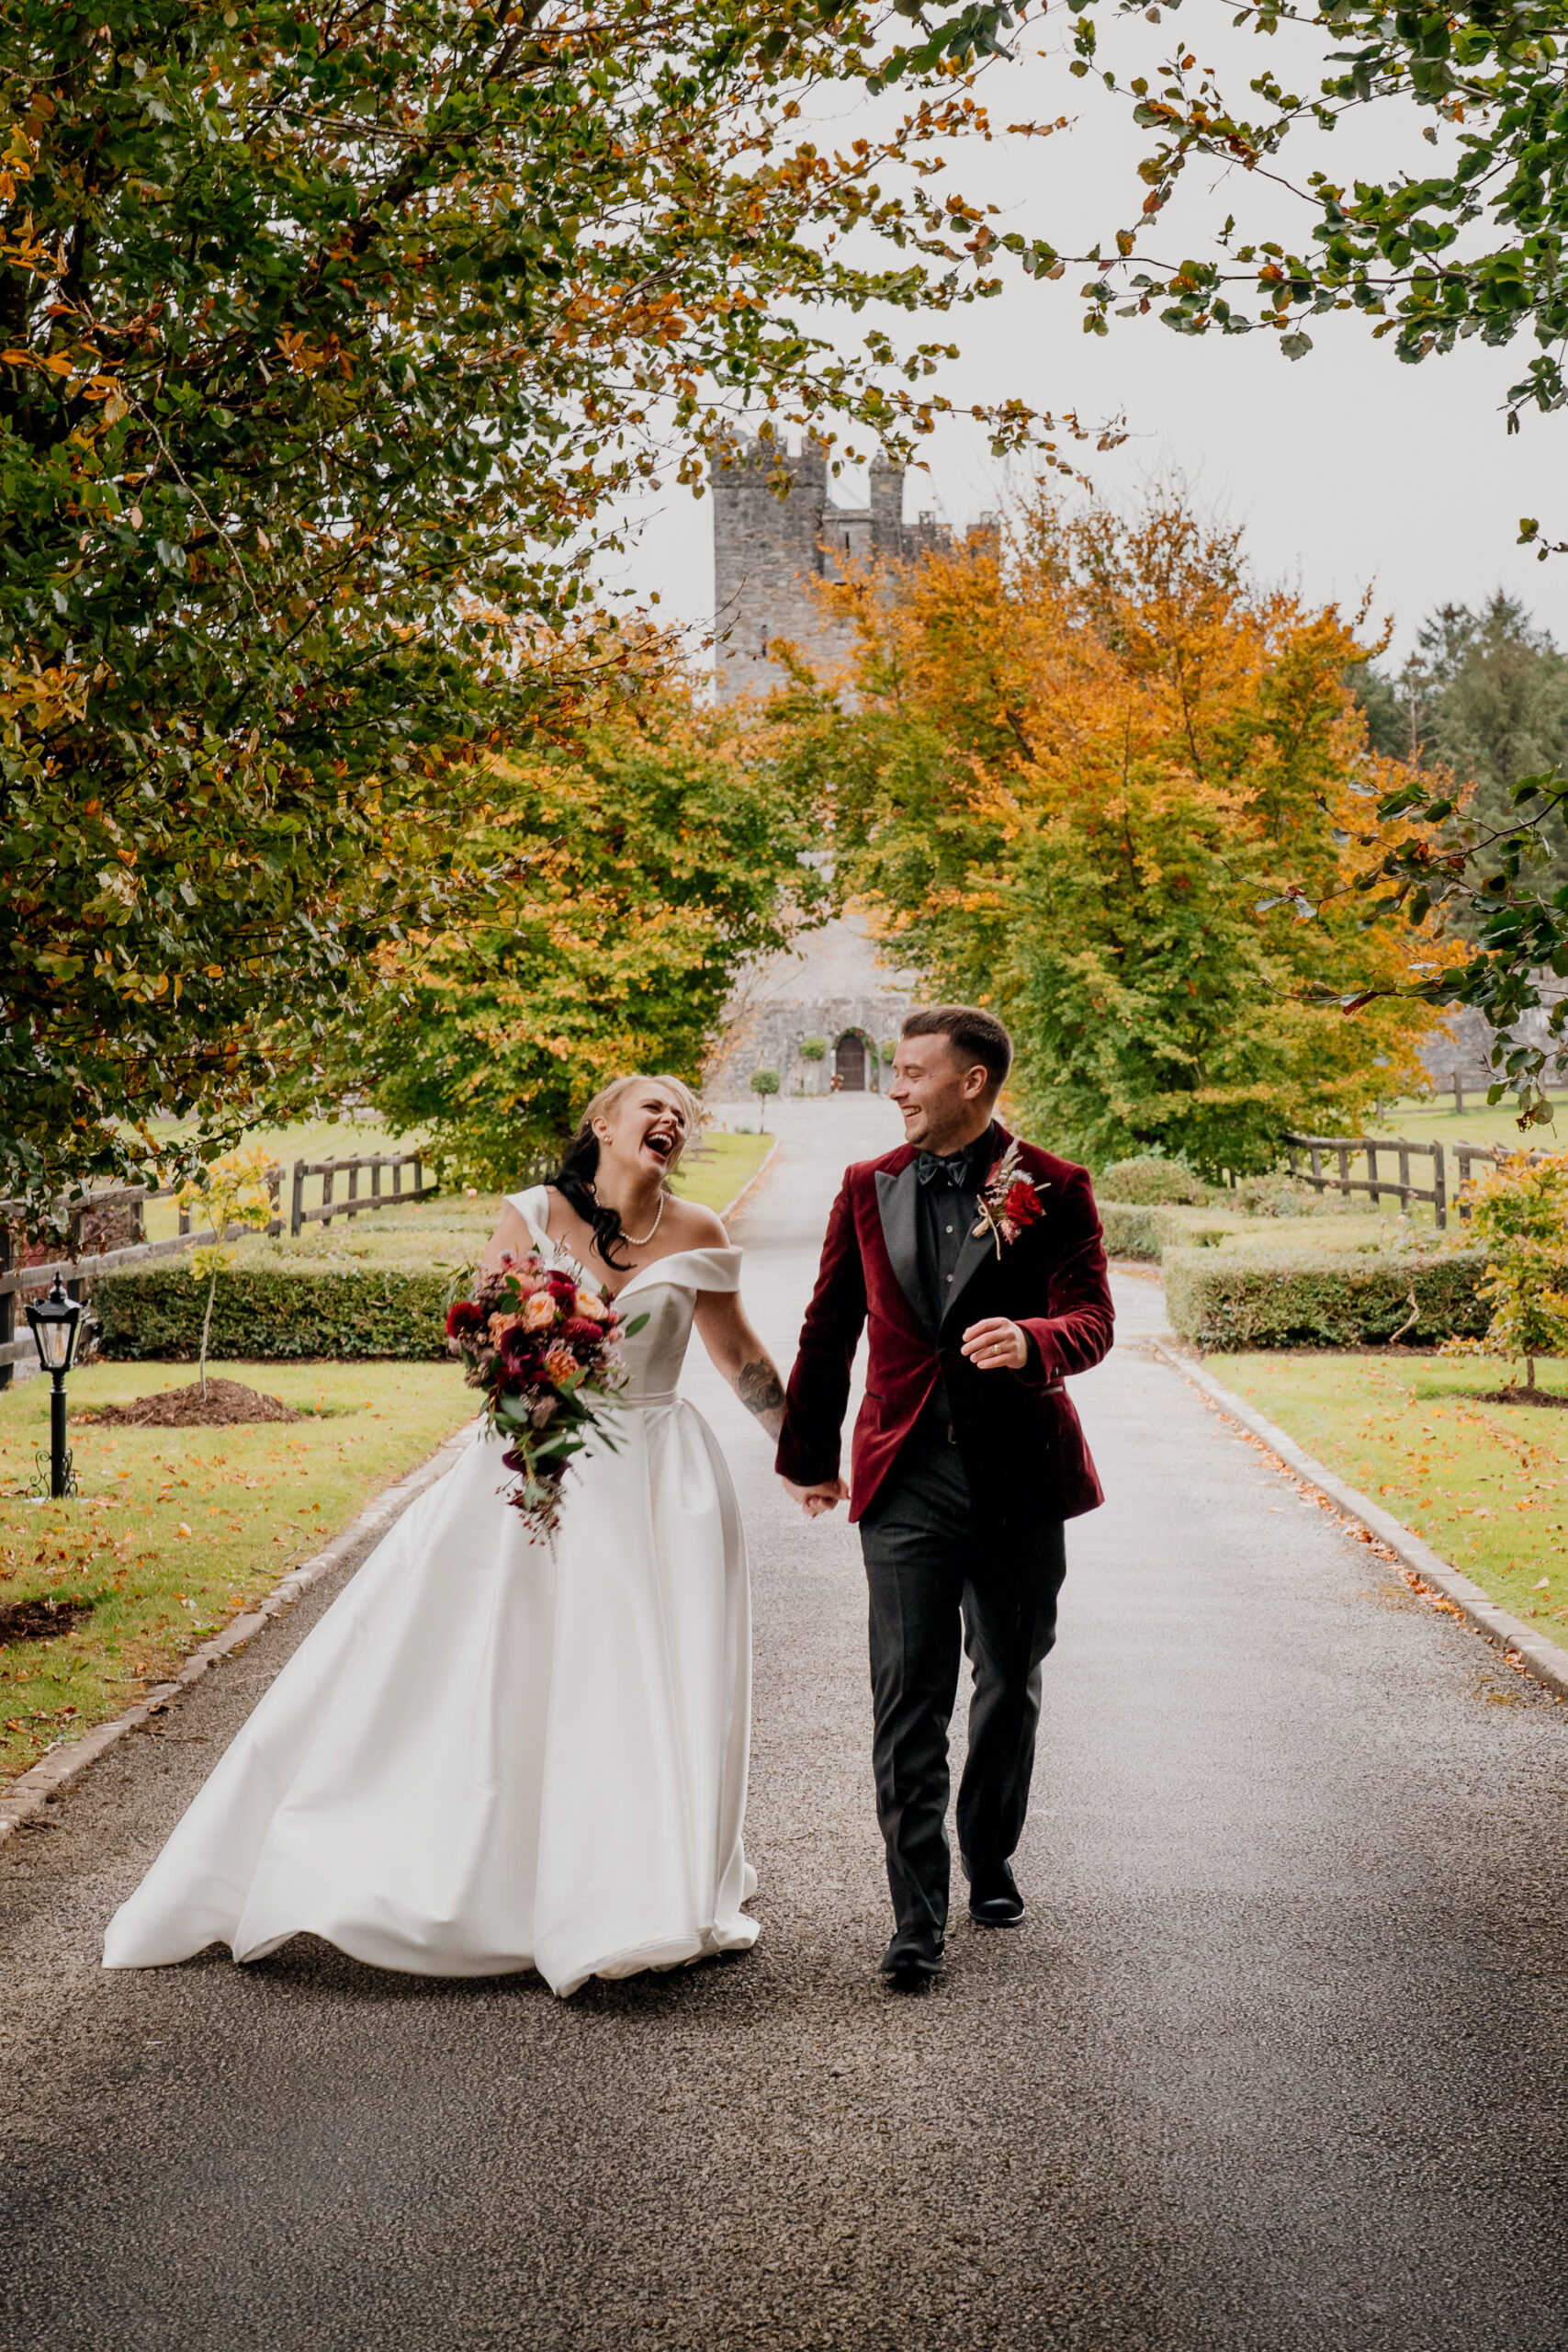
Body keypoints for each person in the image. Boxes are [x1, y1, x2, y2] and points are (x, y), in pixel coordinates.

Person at [104, 1075, 788, 1997]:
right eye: (651, 1107)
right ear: (603, 1125)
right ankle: (471, 1872)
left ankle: (638, 1878)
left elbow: (740, 1353)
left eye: (683, 1112)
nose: (671, 1119)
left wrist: (808, 1451)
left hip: (661, 1479)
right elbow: (482, 1339)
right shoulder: (534, 1213)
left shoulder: (701, 1230)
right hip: (534, 1464)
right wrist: (532, 1375)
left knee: (641, 1674)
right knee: (496, 1668)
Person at [775, 1006, 1113, 1987]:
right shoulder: (865, 1185)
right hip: (904, 1479)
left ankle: (989, 1851)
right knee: (907, 1698)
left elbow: (1093, 1317)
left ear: (973, 1082)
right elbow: (828, 1325)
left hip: (1019, 1479)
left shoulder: (1054, 1186)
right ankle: (914, 1920)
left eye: (915, 1072)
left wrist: (1036, 1342)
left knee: (1008, 1678)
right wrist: (807, 1453)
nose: (897, 1088)